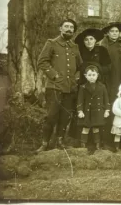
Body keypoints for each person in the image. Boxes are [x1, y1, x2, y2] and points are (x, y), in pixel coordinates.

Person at [35, 18, 83, 152]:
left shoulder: (75, 47)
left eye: (71, 28)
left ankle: (60, 142)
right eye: (66, 26)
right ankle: (45, 143)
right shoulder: (51, 43)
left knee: (65, 116)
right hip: (54, 87)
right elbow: (42, 62)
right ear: (60, 28)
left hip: (70, 88)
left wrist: (76, 78)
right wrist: (54, 75)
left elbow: (80, 66)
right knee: (51, 116)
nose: (69, 29)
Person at [74, 28, 112, 147]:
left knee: (97, 110)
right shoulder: (80, 51)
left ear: (95, 40)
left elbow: (109, 68)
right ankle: (81, 140)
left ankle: (99, 140)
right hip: (83, 83)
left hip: (98, 83)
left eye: (91, 39)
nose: (89, 41)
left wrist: (96, 68)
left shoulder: (102, 50)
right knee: (84, 108)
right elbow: (76, 66)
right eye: (86, 40)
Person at [76, 64, 110, 152]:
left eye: (94, 75)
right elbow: (80, 101)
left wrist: (107, 110)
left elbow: (106, 99)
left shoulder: (102, 86)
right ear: (85, 76)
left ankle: (97, 145)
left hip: (97, 112)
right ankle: (83, 145)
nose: (92, 77)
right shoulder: (83, 87)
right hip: (86, 112)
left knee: (96, 128)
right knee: (85, 128)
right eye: (89, 75)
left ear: (97, 75)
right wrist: (80, 111)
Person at [99, 22, 121, 99]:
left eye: (116, 31)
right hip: (109, 74)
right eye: (112, 31)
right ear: (108, 33)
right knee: (110, 94)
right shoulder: (104, 44)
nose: (114, 33)